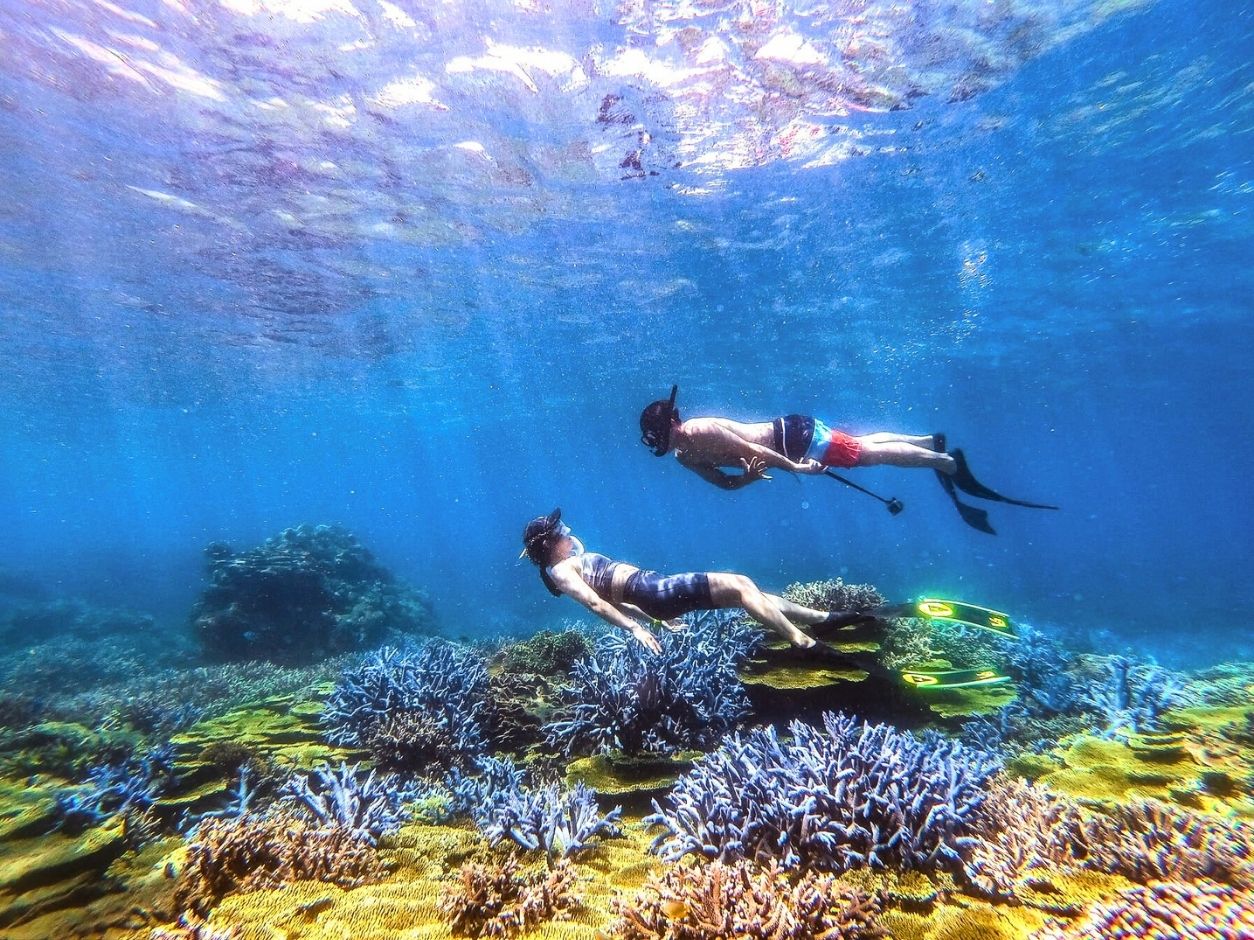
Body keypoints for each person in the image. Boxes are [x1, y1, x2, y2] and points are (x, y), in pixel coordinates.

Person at [638, 386, 1057, 533]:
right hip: (793, 446)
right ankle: (928, 440)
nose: (673, 438)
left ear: (674, 420)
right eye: (663, 438)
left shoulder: (701, 429)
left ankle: (945, 462)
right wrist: (747, 480)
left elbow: (754, 450)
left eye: (668, 430)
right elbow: (728, 481)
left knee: (864, 455)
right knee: (859, 445)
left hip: (793, 438)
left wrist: (796, 467)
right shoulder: (684, 458)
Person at [519, 508, 873, 654]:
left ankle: (821, 620)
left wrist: (655, 619)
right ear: (549, 542)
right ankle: (803, 642)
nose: (567, 532)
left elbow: (612, 599)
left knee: (746, 591)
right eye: (559, 531)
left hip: (654, 592)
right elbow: (598, 604)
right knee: (740, 585)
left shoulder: (565, 564)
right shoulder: (562, 572)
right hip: (655, 590)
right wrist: (636, 629)